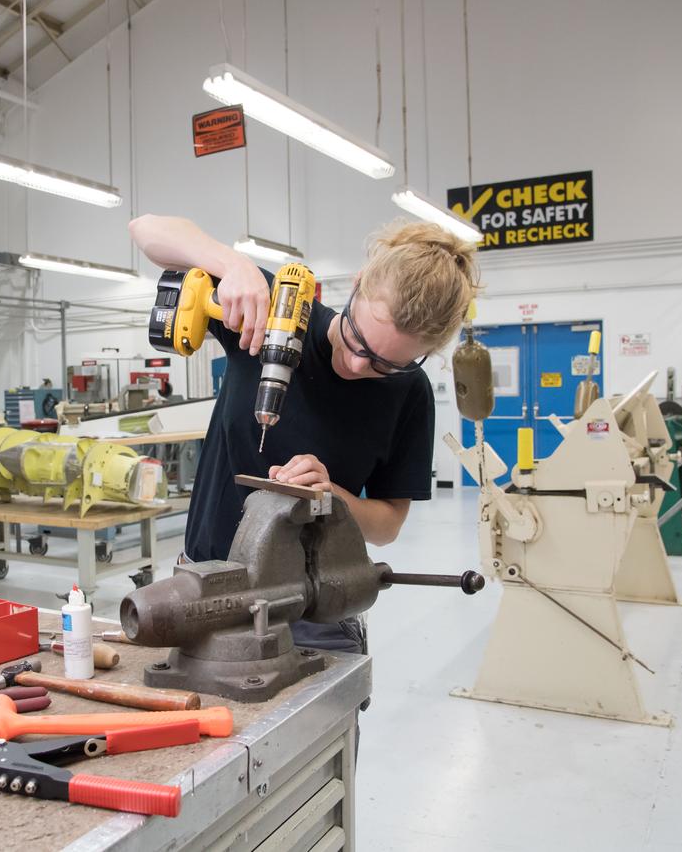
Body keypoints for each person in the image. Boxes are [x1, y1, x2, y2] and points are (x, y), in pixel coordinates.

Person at [128, 214, 479, 653]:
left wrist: (332, 494)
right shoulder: (277, 313)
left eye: (385, 365)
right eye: (357, 340)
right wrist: (234, 265)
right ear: (356, 286)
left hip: (315, 606)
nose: (356, 366)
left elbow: (387, 526)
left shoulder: (409, 394)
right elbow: (146, 229)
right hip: (205, 589)